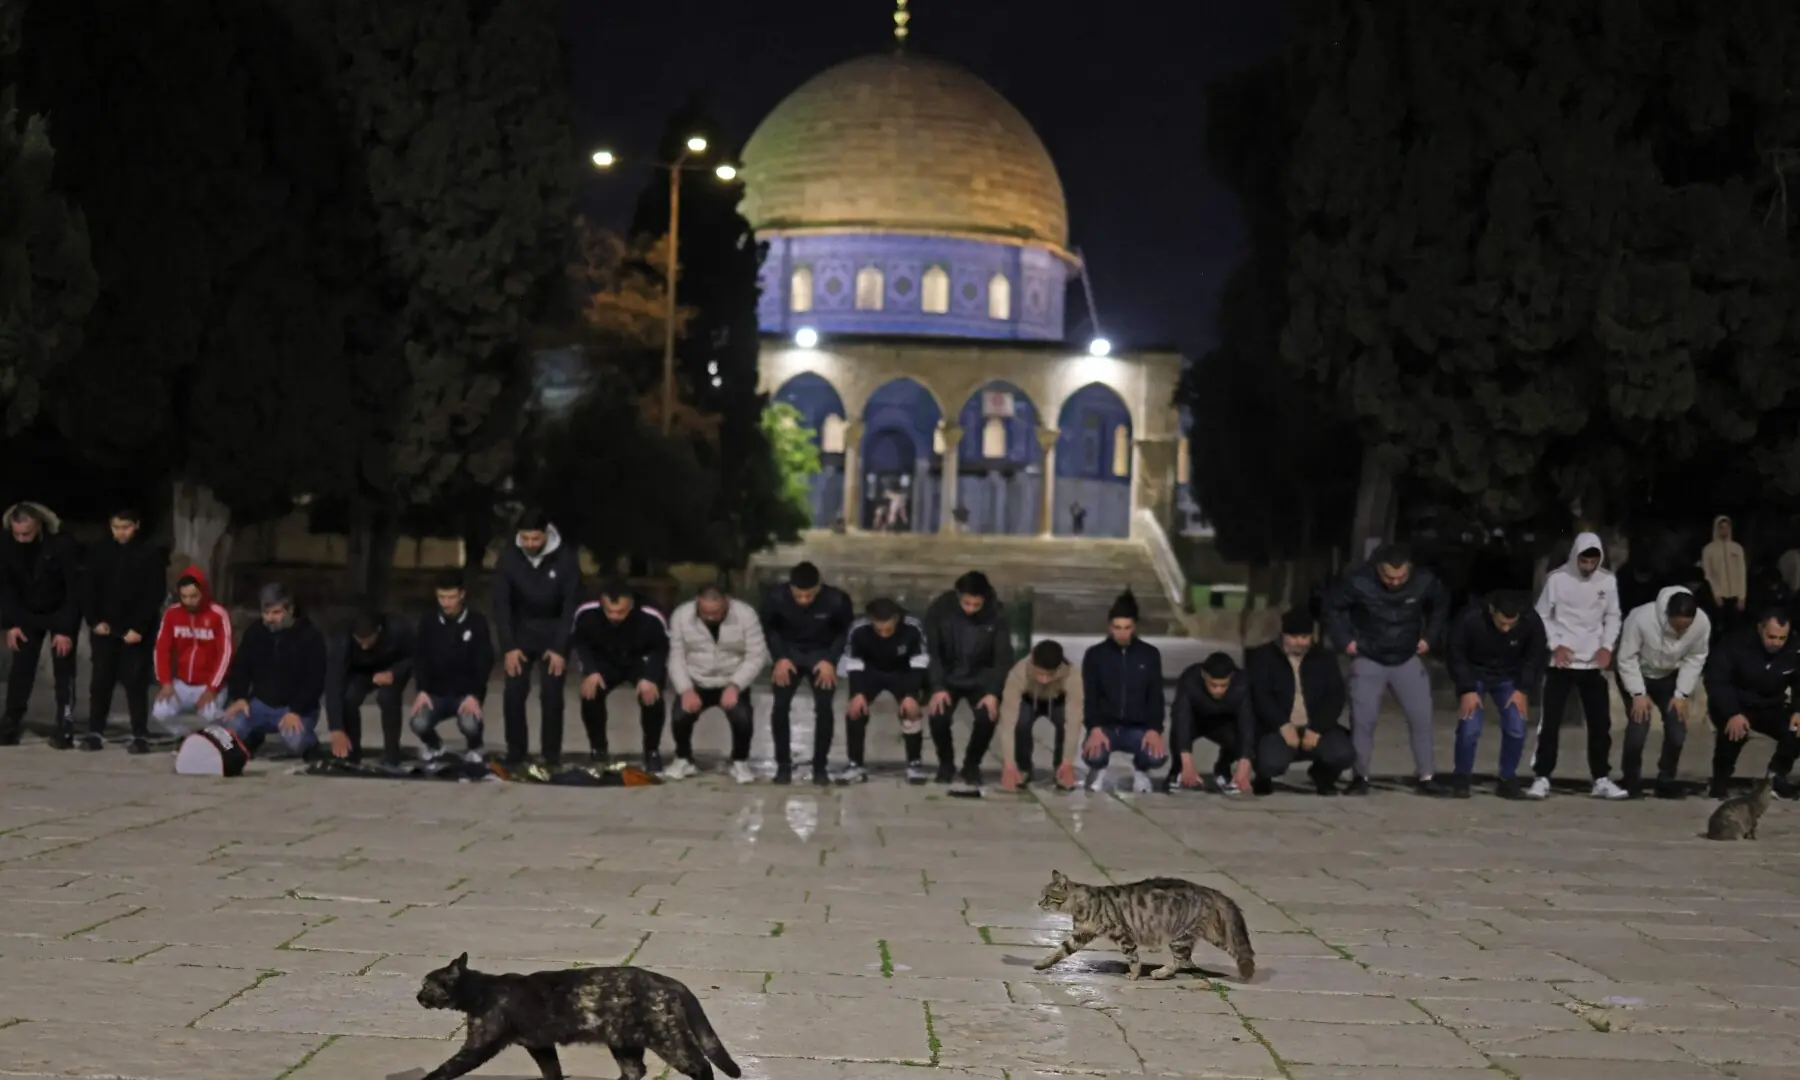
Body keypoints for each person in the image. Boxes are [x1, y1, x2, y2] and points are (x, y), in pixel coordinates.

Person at [1322, 542, 1450, 795]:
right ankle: (1360, 777)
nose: (1395, 582)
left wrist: (1430, 637)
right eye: (1389, 577)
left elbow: (1440, 605)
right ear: (1378, 569)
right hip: (1368, 656)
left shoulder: (1424, 581)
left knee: (1421, 718)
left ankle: (1426, 776)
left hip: (1407, 656)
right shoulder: (1358, 581)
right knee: (1363, 721)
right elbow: (1332, 608)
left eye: (1401, 577)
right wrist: (1344, 640)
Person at [1530, 531, 1626, 800]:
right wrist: (1555, 644)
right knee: (1550, 722)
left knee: (1600, 724)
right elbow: (1542, 616)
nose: (1588, 567)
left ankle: (1601, 778)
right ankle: (1542, 776)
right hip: (1561, 661)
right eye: (1584, 561)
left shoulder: (1607, 581)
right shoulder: (1557, 579)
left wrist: (1607, 646)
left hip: (1593, 662)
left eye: (1593, 562)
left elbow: (1613, 616)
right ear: (1576, 557)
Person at [491, 508, 581, 765]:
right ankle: (516, 753)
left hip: (553, 634)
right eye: (525, 539)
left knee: (552, 695)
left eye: (535, 539)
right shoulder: (509, 557)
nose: (530, 544)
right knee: (514, 692)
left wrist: (560, 647)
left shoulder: (565, 558)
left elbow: (570, 606)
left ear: (546, 534)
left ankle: (551, 756)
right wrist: (508, 646)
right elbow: (502, 604)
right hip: (520, 634)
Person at [81, 508, 167, 752]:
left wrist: (139, 627)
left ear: (136, 525)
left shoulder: (150, 553)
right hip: (104, 630)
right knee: (100, 681)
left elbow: (154, 593)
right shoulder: (99, 552)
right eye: (116, 527)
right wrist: (94, 620)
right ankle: (95, 731)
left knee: (135, 682)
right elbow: (88, 589)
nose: (121, 533)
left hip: (136, 631)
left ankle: (140, 734)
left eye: (126, 527)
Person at [1446, 591, 1547, 799]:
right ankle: (1462, 777)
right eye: (1502, 623)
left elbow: (1534, 656)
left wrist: (1523, 689)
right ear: (1492, 611)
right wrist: (1466, 688)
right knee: (1469, 728)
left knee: (1517, 727)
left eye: (1511, 624)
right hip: (1474, 675)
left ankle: (1507, 778)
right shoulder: (1470, 618)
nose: (1506, 628)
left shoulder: (1531, 621)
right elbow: (1455, 652)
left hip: (1509, 676)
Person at [761, 561, 854, 785]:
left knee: (824, 707)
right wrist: (780, 658)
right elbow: (770, 629)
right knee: (780, 706)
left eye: (809, 596)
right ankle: (783, 765)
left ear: (819, 588)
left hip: (821, 654)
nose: (804, 601)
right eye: (798, 596)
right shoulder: (776, 598)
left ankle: (820, 766)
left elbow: (843, 633)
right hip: (788, 653)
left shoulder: (837, 600)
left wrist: (830, 661)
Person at [665, 583, 768, 784]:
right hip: (696, 679)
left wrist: (736, 685)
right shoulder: (681, 616)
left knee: (742, 717)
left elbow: (757, 655)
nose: (711, 617)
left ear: (727, 603)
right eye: (705, 613)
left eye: (716, 612)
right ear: (697, 604)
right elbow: (676, 656)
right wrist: (685, 689)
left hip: (732, 678)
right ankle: (683, 758)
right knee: (680, 716)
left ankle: (739, 761)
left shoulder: (746, 615)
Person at [1245, 609, 1354, 796]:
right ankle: (1264, 777)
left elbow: (1335, 696)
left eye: (1304, 637)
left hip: (1314, 725)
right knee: (1270, 762)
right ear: (1283, 635)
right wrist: (1282, 725)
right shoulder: (1263, 656)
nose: (1299, 642)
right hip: (1277, 727)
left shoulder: (1324, 658)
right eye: (1293, 637)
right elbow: (1260, 696)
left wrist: (1318, 728)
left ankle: (1323, 776)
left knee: (1343, 753)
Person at [923, 570, 1015, 792]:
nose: (971, 609)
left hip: (980, 677)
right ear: (958, 596)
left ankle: (972, 764)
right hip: (948, 675)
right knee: (938, 716)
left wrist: (993, 692)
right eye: (967, 603)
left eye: (976, 605)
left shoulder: (997, 614)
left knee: (987, 717)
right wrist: (937, 686)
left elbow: (1002, 657)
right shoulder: (939, 610)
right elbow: (931, 652)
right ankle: (946, 764)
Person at [1615, 587, 1710, 799]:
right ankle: (1631, 780)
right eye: (1676, 626)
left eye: (1685, 628)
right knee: (1639, 724)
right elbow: (1626, 658)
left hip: (1668, 676)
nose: (1680, 632)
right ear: (1667, 615)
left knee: (1677, 728)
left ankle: (1666, 780)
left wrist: (1682, 694)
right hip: (1637, 671)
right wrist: (1638, 693)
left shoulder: (1702, 623)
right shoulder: (1641, 618)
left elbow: (1696, 658)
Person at [0, 502, 81, 746]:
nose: (22, 539)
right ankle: (11, 723)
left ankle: (65, 722)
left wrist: (65, 629)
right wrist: (12, 624)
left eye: (27, 533)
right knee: (21, 670)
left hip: (59, 611)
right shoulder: (7, 546)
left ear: (39, 527)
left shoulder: (62, 545)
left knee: (64, 674)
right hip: (26, 613)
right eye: (17, 534)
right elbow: (6, 588)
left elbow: (75, 590)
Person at [571, 579, 670, 771]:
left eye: (621, 612)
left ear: (631, 604)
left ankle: (652, 751)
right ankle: (598, 748)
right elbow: (580, 643)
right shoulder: (586, 612)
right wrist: (590, 671)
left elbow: (662, 649)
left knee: (652, 696)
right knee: (590, 693)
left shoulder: (651, 614)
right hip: (605, 659)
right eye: (610, 611)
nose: (614, 616)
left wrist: (650, 677)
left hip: (641, 658)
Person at [1702, 606, 1800, 800]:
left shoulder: (1794, 648)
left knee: (1796, 730)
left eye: (1782, 638)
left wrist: (1798, 709)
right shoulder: (1734, 644)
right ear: (1760, 629)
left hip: (1770, 705)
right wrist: (1732, 712)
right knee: (1734, 732)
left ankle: (1775, 777)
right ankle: (1720, 780)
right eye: (1771, 637)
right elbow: (1717, 680)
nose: (1776, 643)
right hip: (1736, 704)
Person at [222, 583, 327, 757]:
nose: (270, 618)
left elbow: (315, 680)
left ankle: (311, 744)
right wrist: (239, 697)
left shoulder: (310, 636)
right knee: (230, 728)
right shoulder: (255, 632)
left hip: (295, 707)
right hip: (260, 703)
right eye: (266, 613)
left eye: (276, 613)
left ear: (290, 610)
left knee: (297, 741)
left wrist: (296, 710)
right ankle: (253, 737)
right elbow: (240, 666)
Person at [1080, 591, 1167, 793]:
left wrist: (1155, 729)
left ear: (1134, 626)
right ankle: (1098, 770)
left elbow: (1155, 695)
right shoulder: (1095, 655)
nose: (1122, 633)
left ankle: (1141, 771)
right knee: (1094, 754)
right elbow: (1089, 696)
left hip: (1138, 728)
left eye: (1127, 628)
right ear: (1110, 627)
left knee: (1157, 756)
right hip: (1105, 728)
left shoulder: (1150, 654)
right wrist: (1093, 727)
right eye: (1117, 628)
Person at [839, 597, 930, 784]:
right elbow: (854, 663)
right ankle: (855, 764)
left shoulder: (913, 626)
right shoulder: (858, 628)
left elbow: (919, 662)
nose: (883, 634)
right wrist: (857, 693)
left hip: (903, 671)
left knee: (910, 712)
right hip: (870, 672)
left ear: (896, 619)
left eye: (888, 629)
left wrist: (911, 694)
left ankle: (914, 763)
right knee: (855, 711)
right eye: (878, 629)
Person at [411, 571, 494, 764]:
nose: (446, 603)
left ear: (462, 595)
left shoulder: (476, 622)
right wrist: (422, 690)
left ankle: (475, 747)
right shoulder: (428, 621)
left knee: (470, 724)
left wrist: (475, 694)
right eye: (441, 597)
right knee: (418, 722)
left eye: (451, 597)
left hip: (465, 694)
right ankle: (435, 746)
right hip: (436, 694)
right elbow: (420, 657)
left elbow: (484, 660)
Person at [324, 603, 415, 767]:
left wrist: (394, 673)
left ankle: (391, 754)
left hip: (391, 668)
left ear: (379, 630)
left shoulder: (398, 629)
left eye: (368, 641)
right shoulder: (343, 637)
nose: (364, 646)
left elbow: (415, 657)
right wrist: (336, 728)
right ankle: (352, 752)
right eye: (360, 641)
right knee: (349, 697)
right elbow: (333, 682)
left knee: (387, 698)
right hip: (361, 671)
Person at [151, 567, 232, 747]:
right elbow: (161, 650)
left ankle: (211, 741)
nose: (189, 601)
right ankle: (185, 736)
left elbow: (225, 654)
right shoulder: (172, 614)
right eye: (184, 596)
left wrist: (212, 688)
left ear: (203, 592)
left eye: (194, 596)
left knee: (210, 715)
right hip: (182, 683)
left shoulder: (218, 614)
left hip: (210, 684)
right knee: (160, 711)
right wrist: (165, 682)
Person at [998, 639, 1083, 793]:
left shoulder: (1073, 675)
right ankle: (1023, 768)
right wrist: (1008, 764)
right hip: (1029, 699)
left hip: (1057, 700)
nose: (1044, 680)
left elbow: (1074, 721)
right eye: (1040, 674)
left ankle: (1060, 768)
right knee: (1021, 722)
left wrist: (1068, 761)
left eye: (1049, 675)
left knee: (1063, 721)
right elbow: (1007, 722)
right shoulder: (1019, 672)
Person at [1166, 652, 1248, 795]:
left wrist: (1245, 764)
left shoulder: (1242, 683)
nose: (1218, 690)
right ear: (1204, 676)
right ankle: (1177, 770)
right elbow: (1181, 718)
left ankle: (1223, 769)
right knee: (1178, 731)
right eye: (1213, 685)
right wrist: (1187, 762)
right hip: (1195, 720)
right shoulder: (1190, 678)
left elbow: (1248, 722)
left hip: (1222, 722)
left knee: (1238, 737)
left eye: (1223, 685)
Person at [1701, 515, 1747, 635]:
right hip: (1716, 597)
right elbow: (1708, 574)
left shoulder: (1737, 548)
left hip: (1735, 597)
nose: (1724, 530)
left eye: (1727, 527)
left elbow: (1742, 573)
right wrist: (1716, 594)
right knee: (1718, 629)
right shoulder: (1708, 550)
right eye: (1721, 527)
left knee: (1736, 629)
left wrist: (1742, 597)